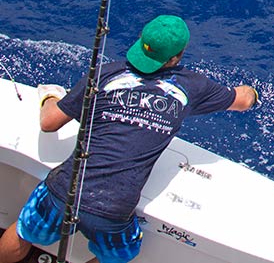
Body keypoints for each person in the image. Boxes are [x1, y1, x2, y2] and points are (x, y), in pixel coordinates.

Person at [0, 15, 259, 263]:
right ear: (176, 57)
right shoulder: (191, 87)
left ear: (140, 39)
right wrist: (253, 91)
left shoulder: (104, 74)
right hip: (114, 208)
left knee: (25, 230)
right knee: (118, 256)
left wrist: (51, 97)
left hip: (66, 187)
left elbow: (49, 122)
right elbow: (243, 100)